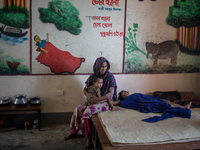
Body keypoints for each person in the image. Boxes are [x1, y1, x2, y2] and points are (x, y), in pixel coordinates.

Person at [64, 57, 117, 149]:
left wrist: (98, 99)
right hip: (92, 99)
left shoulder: (110, 77)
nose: (103, 69)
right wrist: (88, 95)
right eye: (101, 66)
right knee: (78, 109)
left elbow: (110, 94)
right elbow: (85, 89)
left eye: (105, 66)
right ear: (97, 66)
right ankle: (74, 132)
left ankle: (89, 138)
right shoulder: (93, 76)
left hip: (104, 102)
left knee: (88, 112)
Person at [118, 90, 192, 122]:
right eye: (123, 96)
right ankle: (184, 108)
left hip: (151, 100)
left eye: (125, 93)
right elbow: (121, 104)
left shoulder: (134, 95)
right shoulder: (128, 101)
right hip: (147, 104)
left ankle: (182, 107)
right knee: (165, 105)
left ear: (127, 92)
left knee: (165, 102)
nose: (125, 95)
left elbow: (144, 96)